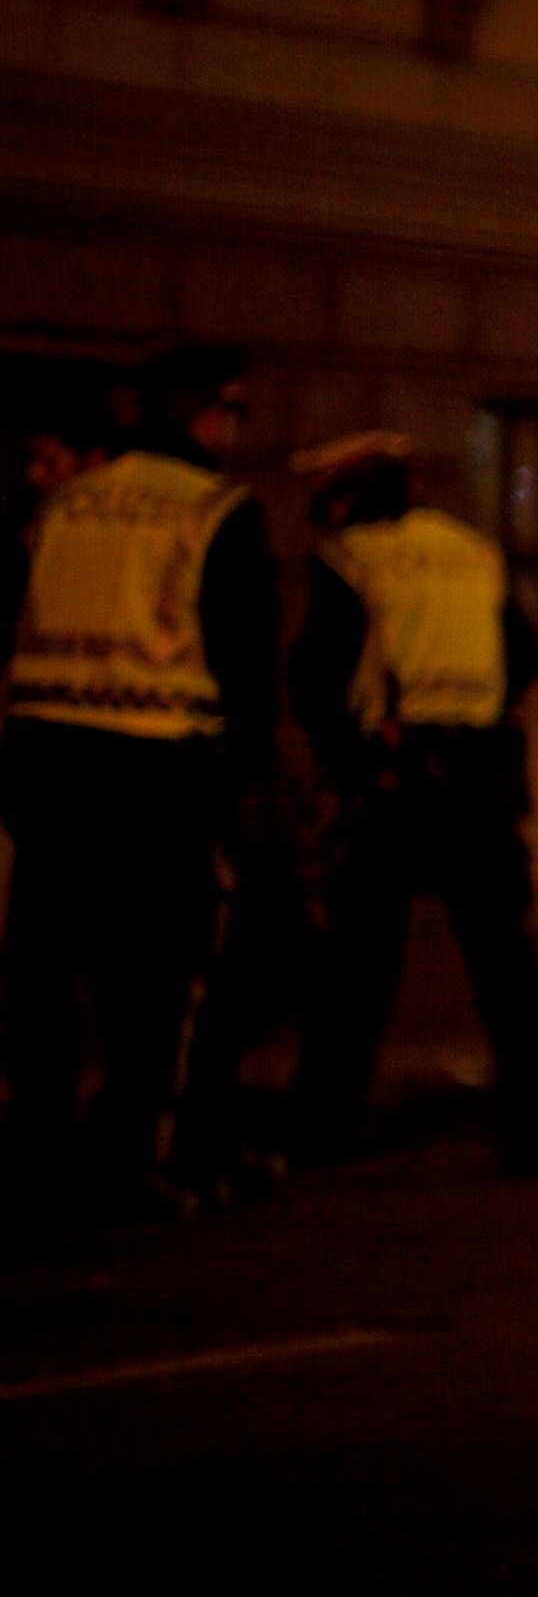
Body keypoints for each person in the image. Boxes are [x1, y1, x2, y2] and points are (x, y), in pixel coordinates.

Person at [2, 344, 283, 1225]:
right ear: (203, 413)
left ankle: (36, 1153)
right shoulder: (215, 510)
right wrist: (248, 777)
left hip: (47, 761)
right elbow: (246, 663)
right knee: (157, 982)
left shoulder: (63, 504)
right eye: (230, 412)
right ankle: (129, 1162)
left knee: (43, 974)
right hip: (161, 770)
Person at [281, 432, 538, 1177]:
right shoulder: (471, 550)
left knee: (358, 967)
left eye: (325, 502)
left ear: (345, 498)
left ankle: (318, 1134)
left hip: (398, 778)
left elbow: (315, 682)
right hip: (478, 777)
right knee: (506, 964)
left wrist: (352, 769)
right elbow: (527, 652)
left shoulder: (353, 559)